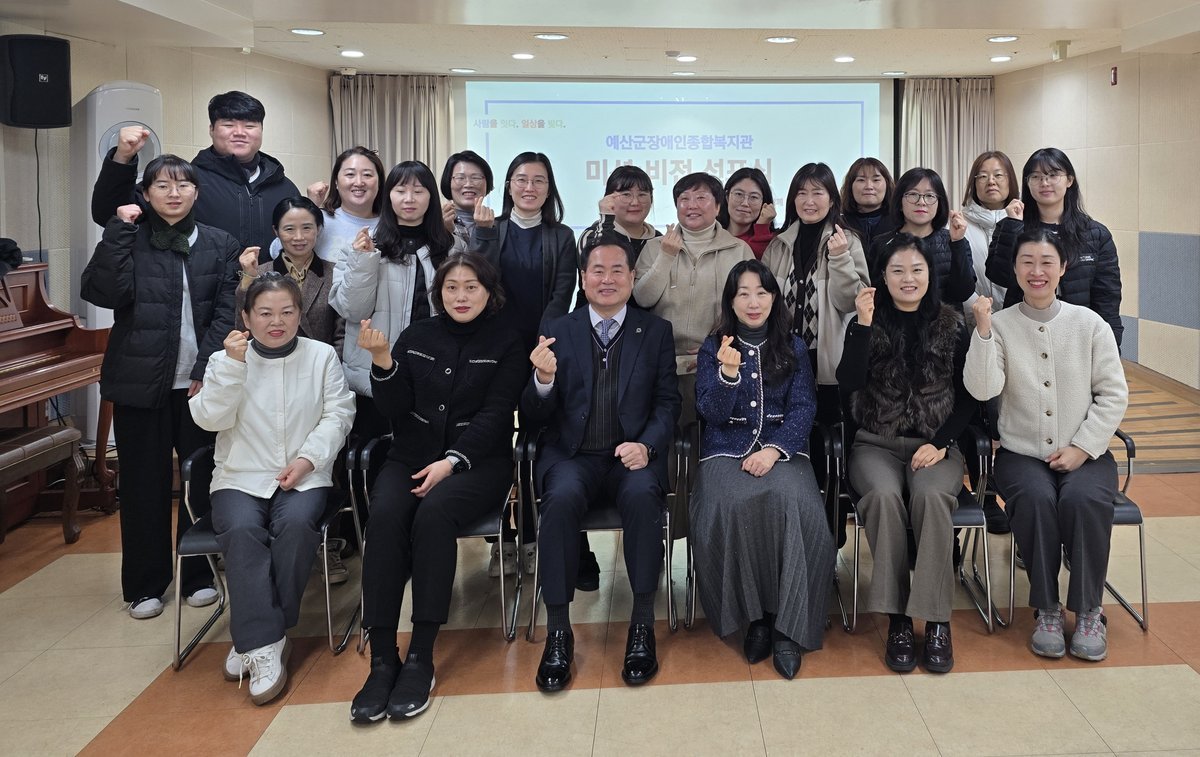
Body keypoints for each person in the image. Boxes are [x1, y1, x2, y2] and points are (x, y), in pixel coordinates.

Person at [349, 253, 526, 721]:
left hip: (477, 465)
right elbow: (393, 408)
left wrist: (451, 462)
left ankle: (421, 656)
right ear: (438, 293)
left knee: (434, 515)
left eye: (471, 287)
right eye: (451, 288)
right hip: (409, 457)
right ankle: (382, 658)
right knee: (385, 516)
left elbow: (497, 414)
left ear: (489, 293)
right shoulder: (416, 335)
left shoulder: (507, 339)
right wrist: (382, 361)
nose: (460, 296)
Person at [80, 154, 240, 619]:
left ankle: (199, 575)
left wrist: (205, 369)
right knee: (142, 485)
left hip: (200, 385)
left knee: (201, 481)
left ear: (196, 192)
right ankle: (145, 584)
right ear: (146, 194)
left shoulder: (219, 242)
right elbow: (102, 293)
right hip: (139, 383)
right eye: (163, 185)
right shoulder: (130, 237)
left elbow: (227, 311)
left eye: (183, 185)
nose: (174, 193)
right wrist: (118, 231)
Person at [523, 235, 681, 692]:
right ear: (583, 278)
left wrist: (647, 446)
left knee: (643, 497)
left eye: (617, 270)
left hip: (631, 454)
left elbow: (668, 403)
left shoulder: (655, 331)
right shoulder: (558, 329)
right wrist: (542, 380)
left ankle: (642, 625)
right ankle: (558, 631)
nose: (607, 279)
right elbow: (533, 415)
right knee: (560, 500)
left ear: (633, 277)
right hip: (572, 456)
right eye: (598, 270)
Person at [189, 273, 354, 705]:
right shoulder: (225, 359)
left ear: (300, 314)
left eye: (286, 312)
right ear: (246, 317)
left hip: (304, 472)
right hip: (239, 474)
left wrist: (308, 459)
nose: (276, 322)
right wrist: (232, 368)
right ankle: (267, 639)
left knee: (296, 526)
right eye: (264, 313)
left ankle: (255, 637)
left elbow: (338, 414)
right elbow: (209, 419)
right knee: (243, 530)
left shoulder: (321, 356)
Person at [966, 228, 1128, 662]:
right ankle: (1048, 609)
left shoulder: (1089, 324)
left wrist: (1083, 447)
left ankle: (1089, 610)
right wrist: (983, 333)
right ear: (1015, 268)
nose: (1036, 271)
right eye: (1027, 262)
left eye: (1046, 263)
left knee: (1083, 499)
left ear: (1063, 269)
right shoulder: (1000, 325)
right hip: (1021, 453)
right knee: (1037, 500)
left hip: (1087, 453)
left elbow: (1114, 394)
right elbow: (983, 389)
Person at [836, 232, 975, 675]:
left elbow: (969, 398)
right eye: (897, 270)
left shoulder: (953, 324)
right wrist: (862, 324)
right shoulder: (865, 320)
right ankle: (897, 618)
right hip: (875, 444)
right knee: (882, 497)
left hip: (936, 445)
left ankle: (935, 620)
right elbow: (848, 383)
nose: (907, 278)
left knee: (931, 497)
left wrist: (941, 443)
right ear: (883, 276)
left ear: (930, 274)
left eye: (916, 269)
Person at [691, 259, 832, 680]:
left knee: (796, 505)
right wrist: (728, 374)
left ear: (774, 298)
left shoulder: (793, 345)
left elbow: (804, 406)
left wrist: (774, 450)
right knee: (729, 504)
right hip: (725, 450)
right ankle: (754, 617)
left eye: (761, 293)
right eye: (743, 294)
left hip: (782, 448)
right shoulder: (712, 346)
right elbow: (711, 414)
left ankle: (787, 626)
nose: (753, 302)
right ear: (731, 301)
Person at [331, 160, 466, 441]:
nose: (409, 199)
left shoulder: (452, 248)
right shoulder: (362, 246)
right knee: (376, 454)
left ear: (431, 196)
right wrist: (363, 260)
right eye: (400, 190)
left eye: (418, 191)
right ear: (388, 195)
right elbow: (352, 310)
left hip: (435, 373)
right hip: (374, 372)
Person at [91, 91, 300, 254]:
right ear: (211, 130)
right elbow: (109, 215)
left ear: (261, 130)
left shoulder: (284, 187)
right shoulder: (184, 182)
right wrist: (122, 159)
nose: (239, 133)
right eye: (228, 124)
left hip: (270, 293)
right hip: (204, 292)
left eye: (250, 126)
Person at [633, 172, 753, 428]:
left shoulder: (738, 250)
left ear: (718, 206)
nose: (692, 205)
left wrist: (714, 349)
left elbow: (751, 310)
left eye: (701, 198)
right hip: (662, 364)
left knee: (711, 437)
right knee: (668, 436)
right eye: (684, 199)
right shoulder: (654, 247)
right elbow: (642, 298)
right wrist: (666, 256)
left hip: (718, 363)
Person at [761, 162, 870, 422]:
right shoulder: (779, 244)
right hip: (780, 356)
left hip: (825, 358)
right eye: (801, 193)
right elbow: (762, 299)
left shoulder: (847, 241)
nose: (809, 201)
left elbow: (852, 303)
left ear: (832, 200)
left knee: (825, 431)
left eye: (817, 192)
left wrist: (840, 258)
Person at [985, 147, 1123, 348]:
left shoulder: (1096, 234)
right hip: (1023, 334)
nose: (1044, 182)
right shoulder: (1011, 226)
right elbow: (999, 277)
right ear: (1027, 183)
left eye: (1053, 175)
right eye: (1036, 176)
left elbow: (1107, 299)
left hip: (1078, 336)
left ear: (1069, 180)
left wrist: (1110, 347)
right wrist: (1014, 226)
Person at [471, 151, 578, 352]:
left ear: (549, 190)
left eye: (538, 181)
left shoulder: (562, 236)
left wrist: (544, 337)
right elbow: (479, 280)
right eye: (521, 180)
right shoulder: (490, 228)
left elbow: (562, 295)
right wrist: (484, 233)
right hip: (493, 339)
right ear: (509, 187)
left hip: (543, 340)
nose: (529, 188)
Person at [238, 197, 343, 351]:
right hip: (268, 361)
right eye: (289, 229)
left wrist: (330, 362)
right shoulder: (258, 274)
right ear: (276, 231)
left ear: (318, 229)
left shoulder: (335, 273)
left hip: (321, 362)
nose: (299, 237)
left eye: (306, 228)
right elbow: (243, 330)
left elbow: (342, 334)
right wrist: (248, 280)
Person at [869, 167, 975, 306]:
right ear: (899, 202)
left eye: (930, 196)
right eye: (913, 194)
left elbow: (963, 293)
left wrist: (957, 243)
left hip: (946, 319)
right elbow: (876, 296)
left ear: (939, 204)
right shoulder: (881, 244)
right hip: (894, 319)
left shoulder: (956, 241)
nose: (921, 202)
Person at [272, 146, 386, 264]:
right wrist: (309, 209)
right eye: (350, 174)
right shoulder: (321, 220)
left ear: (379, 182)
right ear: (336, 181)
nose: (358, 182)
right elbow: (276, 252)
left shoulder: (390, 225)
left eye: (367, 175)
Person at [961, 150, 1018, 323]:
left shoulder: (1025, 223)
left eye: (998, 175)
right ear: (974, 183)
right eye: (983, 176)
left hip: (1018, 321)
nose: (991, 181)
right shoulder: (958, 225)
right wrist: (978, 311)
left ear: (1010, 180)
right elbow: (955, 276)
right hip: (973, 321)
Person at [716, 167, 777, 259]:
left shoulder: (774, 242)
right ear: (727, 197)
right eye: (738, 194)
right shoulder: (710, 233)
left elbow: (752, 262)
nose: (745, 203)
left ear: (764, 204)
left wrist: (762, 227)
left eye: (754, 197)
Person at [440, 150, 494, 246]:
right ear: (448, 182)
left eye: (476, 178)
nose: (468, 184)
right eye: (460, 178)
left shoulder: (497, 226)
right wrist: (443, 233)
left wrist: (485, 232)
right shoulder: (436, 223)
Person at [840, 157, 896, 249]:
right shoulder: (840, 224)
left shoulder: (900, 223)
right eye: (861, 180)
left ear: (887, 184)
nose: (869, 186)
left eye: (876, 180)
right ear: (850, 186)